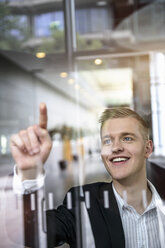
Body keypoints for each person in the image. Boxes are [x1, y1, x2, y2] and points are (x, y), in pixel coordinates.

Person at [10, 103, 163, 248]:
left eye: (127, 138)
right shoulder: (82, 203)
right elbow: (24, 233)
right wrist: (29, 172)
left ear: (148, 149)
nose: (116, 148)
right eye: (108, 140)